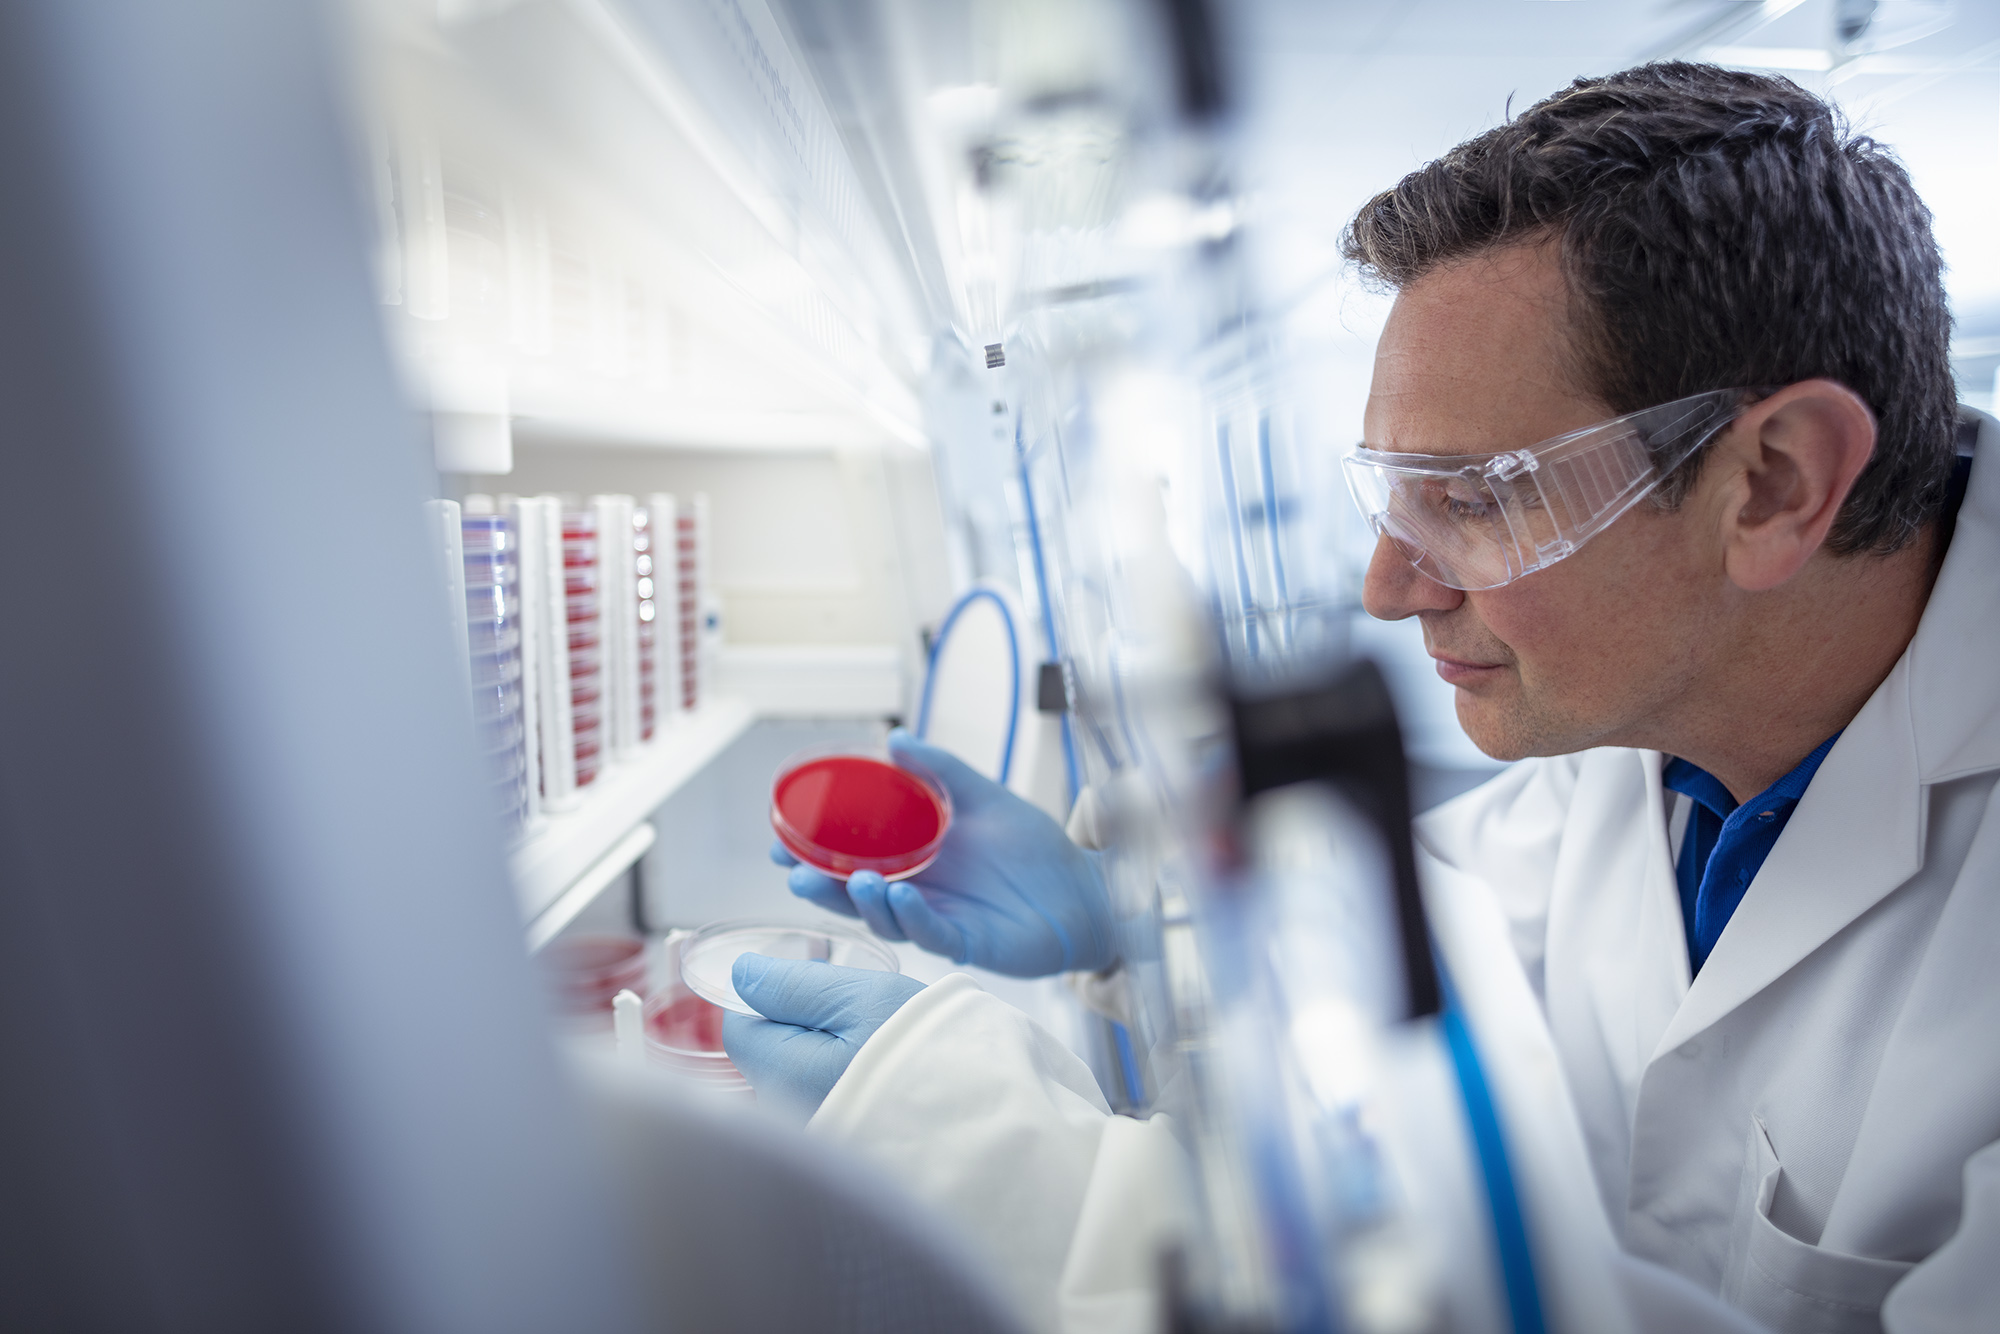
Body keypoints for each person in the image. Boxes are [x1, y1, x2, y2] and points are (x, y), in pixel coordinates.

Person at [721, 63, 1999, 1334]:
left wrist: (1043, 1197)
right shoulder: (1642, 746)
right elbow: (1422, 973)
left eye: (1479, 497)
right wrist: (1131, 920)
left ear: (1773, 482)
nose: (1389, 590)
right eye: (1393, 499)